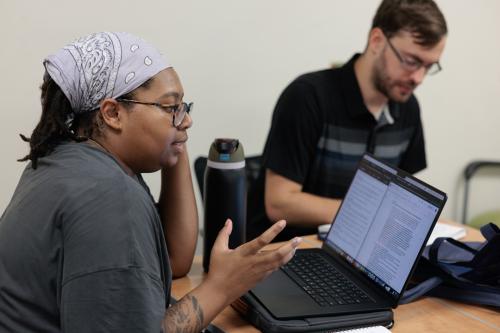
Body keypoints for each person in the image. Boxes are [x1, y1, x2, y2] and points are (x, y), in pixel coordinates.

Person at [0, 32, 301, 332]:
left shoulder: (72, 159)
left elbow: (174, 259)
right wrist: (223, 286)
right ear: (113, 113)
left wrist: (174, 135)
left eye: (184, 107)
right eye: (171, 107)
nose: (187, 120)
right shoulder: (108, 196)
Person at [247, 0, 448, 242]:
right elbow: (280, 203)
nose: (418, 78)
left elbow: (401, 196)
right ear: (377, 41)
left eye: (429, 66)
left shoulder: (408, 109)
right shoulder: (308, 97)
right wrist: (368, 214)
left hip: (355, 252)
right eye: (411, 61)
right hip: (286, 254)